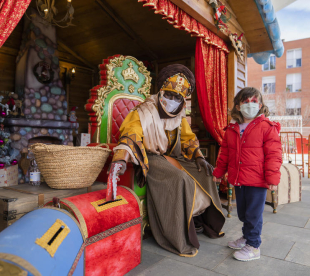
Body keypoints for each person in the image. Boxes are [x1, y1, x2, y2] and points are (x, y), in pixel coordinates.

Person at [110, 64, 225, 257]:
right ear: (161, 92)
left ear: (182, 100)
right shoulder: (143, 111)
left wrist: (198, 157)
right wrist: (121, 159)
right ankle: (179, 234)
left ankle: (199, 220)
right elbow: (131, 135)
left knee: (205, 174)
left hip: (173, 156)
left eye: (177, 98)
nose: (171, 101)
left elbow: (188, 139)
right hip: (151, 158)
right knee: (180, 179)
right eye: (168, 95)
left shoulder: (180, 116)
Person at [213, 87, 282, 261]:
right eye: (246, 101)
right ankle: (246, 238)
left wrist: (272, 178)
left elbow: (274, 154)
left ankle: (253, 245)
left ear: (260, 105)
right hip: (239, 178)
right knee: (243, 212)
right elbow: (225, 153)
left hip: (257, 180)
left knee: (253, 214)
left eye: (254, 101)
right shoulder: (232, 128)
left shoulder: (267, 127)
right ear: (237, 106)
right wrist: (219, 172)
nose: (250, 105)